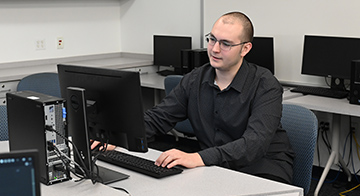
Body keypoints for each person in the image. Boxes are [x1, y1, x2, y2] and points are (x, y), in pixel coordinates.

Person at [93, 11, 294, 184]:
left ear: (245, 49)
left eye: (225, 44)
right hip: (214, 166)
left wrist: (197, 158)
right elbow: (158, 118)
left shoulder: (265, 84)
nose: (214, 49)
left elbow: (254, 144)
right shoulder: (195, 79)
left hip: (262, 169)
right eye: (212, 39)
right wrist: (116, 139)